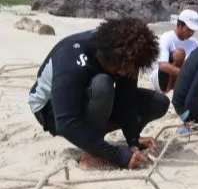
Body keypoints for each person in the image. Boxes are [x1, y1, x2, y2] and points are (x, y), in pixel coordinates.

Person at [28, 18, 169, 170]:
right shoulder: (71, 55)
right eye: (122, 69)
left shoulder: (127, 59)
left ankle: (93, 140)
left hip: (90, 98)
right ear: (108, 57)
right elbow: (65, 123)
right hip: (50, 109)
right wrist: (118, 156)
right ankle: (91, 152)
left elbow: (126, 99)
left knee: (158, 103)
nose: (124, 73)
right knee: (103, 84)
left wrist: (133, 140)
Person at [149, 9, 198, 94]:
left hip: (181, 79)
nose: (191, 33)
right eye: (189, 29)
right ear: (179, 25)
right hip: (161, 80)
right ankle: (171, 88)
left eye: (193, 30)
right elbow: (163, 66)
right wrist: (186, 74)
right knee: (179, 53)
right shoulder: (167, 38)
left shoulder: (194, 42)